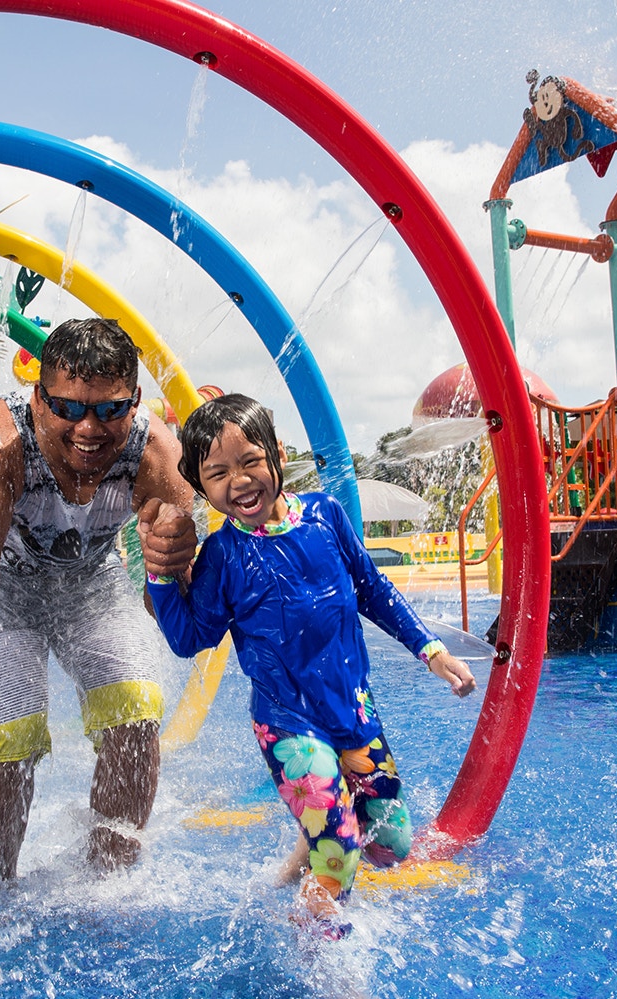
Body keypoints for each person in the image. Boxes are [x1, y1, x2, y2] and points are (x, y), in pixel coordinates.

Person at [137, 393, 477, 938]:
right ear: (202, 488)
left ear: (276, 454)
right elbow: (188, 638)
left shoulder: (325, 516)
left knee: (389, 845)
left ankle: (307, 850)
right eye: (218, 473)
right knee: (340, 856)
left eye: (250, 461)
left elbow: (372, 587)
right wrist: (158, 574)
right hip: (287, 722)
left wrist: (431, 651)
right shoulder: (223, 558)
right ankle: (321, 951)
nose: (240, 481)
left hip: (352, 712)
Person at [0, 317, 197, 886]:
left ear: (135, 401)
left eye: (108, 409)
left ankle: (112, 882)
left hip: (92, 584)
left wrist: (173, 566)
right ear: (36, 399)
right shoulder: (0, 446)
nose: (88, 428)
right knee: (14, 731)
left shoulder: (157, 458)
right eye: (69, 407)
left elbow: (175, 621)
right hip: (7, 594)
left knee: (135, 706)